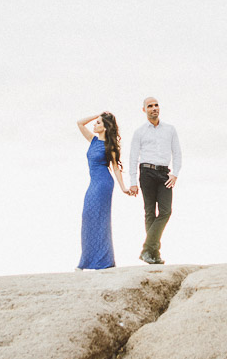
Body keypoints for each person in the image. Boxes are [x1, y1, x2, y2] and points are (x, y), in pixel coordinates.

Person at [128, 97, 182, 265]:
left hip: (164, 174)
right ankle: (154, 254)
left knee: (166, 211)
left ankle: (146, 249)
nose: (154, 108)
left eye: (156, 105)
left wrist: (176, 173)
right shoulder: (139, 132)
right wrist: (132, 181)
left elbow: (177, 152)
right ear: (144, 110)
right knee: (150, 212)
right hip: (146, 172)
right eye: (150, 106)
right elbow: (133, 157)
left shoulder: (170, 129)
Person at [76, 112, 131, 270]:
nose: (94, 125)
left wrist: (123, 188)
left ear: (106, 127)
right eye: (96, 123)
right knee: (88, 217)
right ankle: (87, 261)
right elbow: (79, 123)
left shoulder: (110, 145)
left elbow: (115, 167)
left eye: (99, 123)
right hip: (93, 183)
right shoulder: (92, 140)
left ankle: (103, 261)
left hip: (104, 184)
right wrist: (96, 115)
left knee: (101, 220)